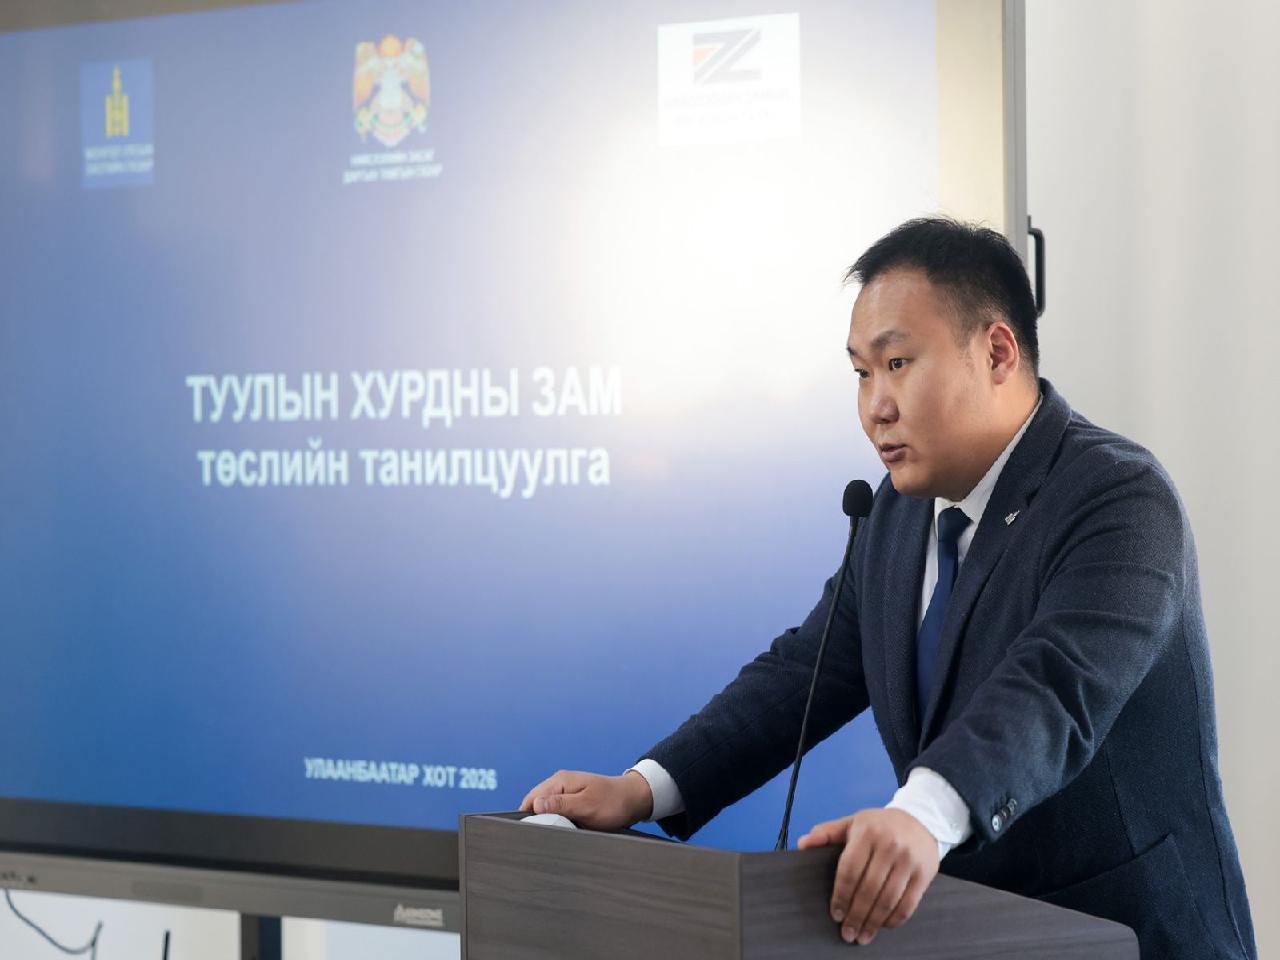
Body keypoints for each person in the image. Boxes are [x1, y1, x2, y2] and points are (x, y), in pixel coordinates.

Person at [520, 218, 1256, 959]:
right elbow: (803, 672)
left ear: (998, 352)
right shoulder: (899, 513)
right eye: (861, 373)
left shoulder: (1119, 498)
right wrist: (643, 788)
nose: (876, 404)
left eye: (898, 363)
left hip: (1133, 937)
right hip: (980, 939)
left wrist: (920, 815)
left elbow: (1054, 689)